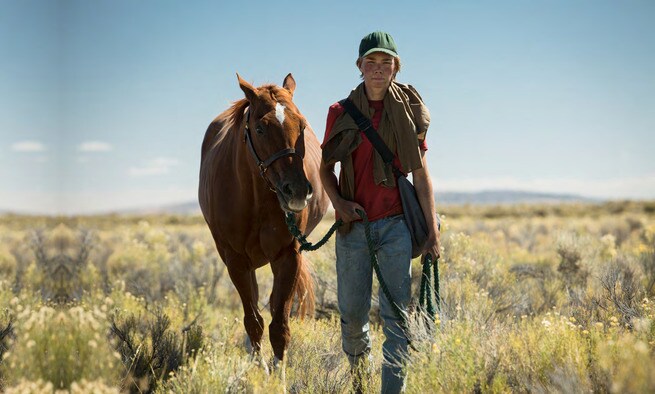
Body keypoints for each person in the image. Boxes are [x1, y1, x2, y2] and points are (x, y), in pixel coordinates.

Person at [319, 31, 441, 393]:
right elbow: (325, 167)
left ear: (395, 67)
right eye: (370, 62)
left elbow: (420, 174)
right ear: (359, 67)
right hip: (353, 229)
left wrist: (432, 230)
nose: (378, 69)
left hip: (395, 228)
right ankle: (359, 387)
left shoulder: (406, 111)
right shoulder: (340, 112)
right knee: (354, 319)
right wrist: (339, 205)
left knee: (397, 321)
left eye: (385, 62)